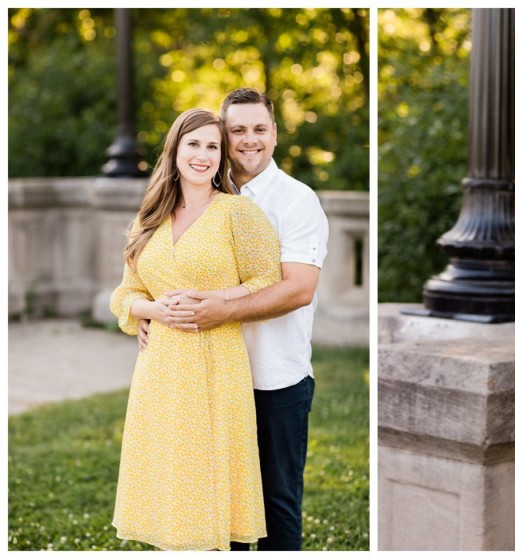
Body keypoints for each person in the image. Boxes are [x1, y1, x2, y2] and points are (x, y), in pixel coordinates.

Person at [143, 88, 330, 551]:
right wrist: (154, 313)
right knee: (218, 506)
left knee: (275, 504)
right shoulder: (207, 194)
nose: (249, 140)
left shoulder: (296, 200)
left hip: (272, 377)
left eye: (259, 129)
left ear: (275, 135)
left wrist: (222, 308)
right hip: (208, 377)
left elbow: (299, 288)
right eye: (237, 130)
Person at [109, 108, 279, 550]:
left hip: (215, 367)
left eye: (212, 146)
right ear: (176, 149)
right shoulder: (150, 217)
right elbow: (124, 294)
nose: (202, 155)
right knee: (169, 483)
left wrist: (220, 300)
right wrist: (152, 310)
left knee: (208, 480)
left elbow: (268, 282)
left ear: (222, 157)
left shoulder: (238, 214)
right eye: (194, 144)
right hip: (159, 371)